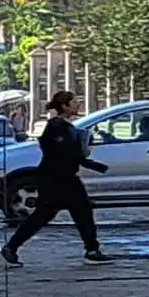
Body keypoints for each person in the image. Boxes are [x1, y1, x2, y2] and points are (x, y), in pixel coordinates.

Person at [6, 92, 102, 263]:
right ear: (65, 106)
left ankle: (92, 249)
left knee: (78, 212)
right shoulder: (56, 126)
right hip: (56, 178)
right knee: (49, 214)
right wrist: (80, 153)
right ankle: (92, 250)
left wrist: (87, 159)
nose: (78, 104)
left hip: (63, 177)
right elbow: (55, 151)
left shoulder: (68, 127)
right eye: (73, 102)